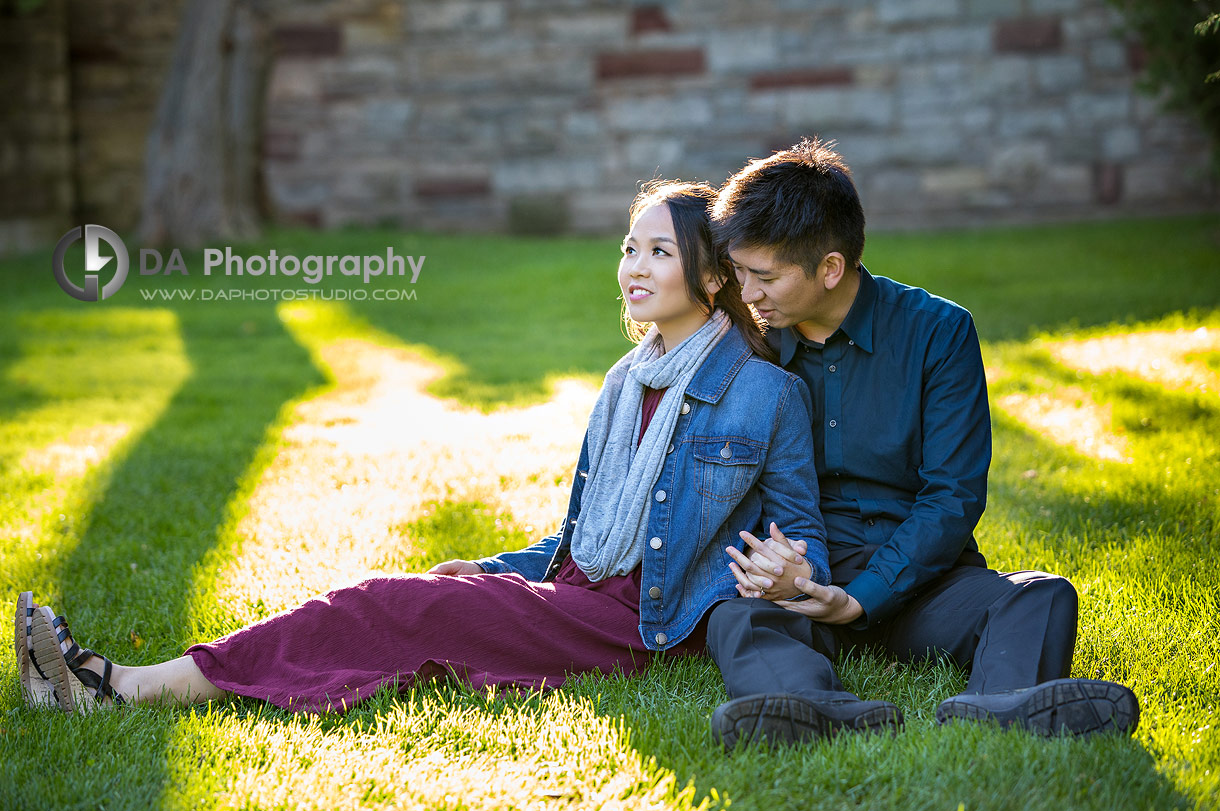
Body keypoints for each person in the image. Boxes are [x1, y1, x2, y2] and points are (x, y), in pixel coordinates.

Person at [16, 181, 833, 715]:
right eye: (629, 246)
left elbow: (805, 546)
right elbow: (581, 540)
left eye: (659, 250)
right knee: (410, 603)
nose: (634, 266)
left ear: (714, 274)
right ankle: (118, 682)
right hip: (582, 594)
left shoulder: (767, 393)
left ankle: (123, 685)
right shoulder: (629, 379)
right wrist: (497, 569)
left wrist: (794, 575)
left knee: (383, 605)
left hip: (636, 624)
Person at [703, 139, 1140, 748]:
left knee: (1039, 595)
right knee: (734, 617)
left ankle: (1001, 705)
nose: (746, 294)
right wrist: (786, 573)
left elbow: (954, 496)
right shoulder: (747, 344)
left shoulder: (939, 331)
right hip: (803, 575)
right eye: (740, 272)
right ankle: (811, 707)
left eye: (765, 276)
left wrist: (859, 600)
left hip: (923, 584)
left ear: (830, 267)